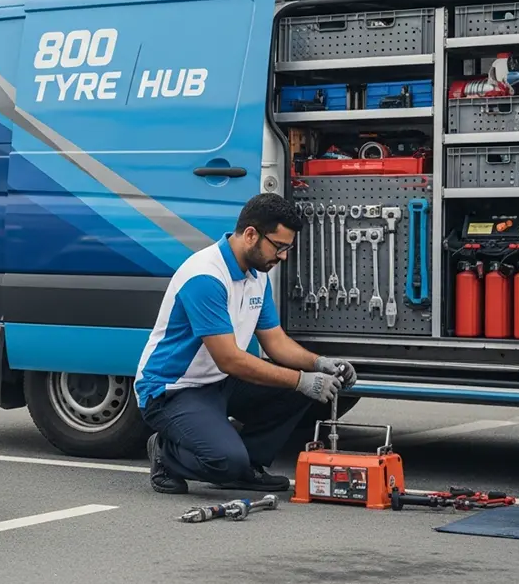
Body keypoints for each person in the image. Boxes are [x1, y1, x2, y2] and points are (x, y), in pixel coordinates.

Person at [134, 193, 357, 495]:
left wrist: (318, 364)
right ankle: (166, 452)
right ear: (251, 234)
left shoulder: (256, 274)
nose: (283, 257)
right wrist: (301, 380)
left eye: (287, 248)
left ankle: (248, 466)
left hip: (220, 380)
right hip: (173, 389)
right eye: (279, 247)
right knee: (226, 460)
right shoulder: (205, 277)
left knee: (300, 391)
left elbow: (275, 341)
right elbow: (230, 359)